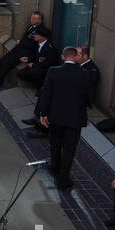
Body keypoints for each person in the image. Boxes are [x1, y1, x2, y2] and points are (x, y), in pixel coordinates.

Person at [36, 47, 92, 190]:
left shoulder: (53, 71)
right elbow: (89, 97)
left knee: (55, 143)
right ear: (76, 58)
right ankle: (63, 178)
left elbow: (46, 93)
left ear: (63, 57)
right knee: (69, 148)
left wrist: (43, 114)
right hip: (75, 118)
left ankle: (55, 167)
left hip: (56, 116)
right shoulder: (84, 74)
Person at [0, 11, 46, 88]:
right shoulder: (31, 26)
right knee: (3, 60)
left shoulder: (40, 30)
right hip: (20, 49)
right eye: (31, 18)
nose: (31, 20)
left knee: (7, 63)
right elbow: (26, 37)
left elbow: (32, 45)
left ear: (40, 20)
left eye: (34, 19)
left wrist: (20, 42)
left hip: (26, 53)